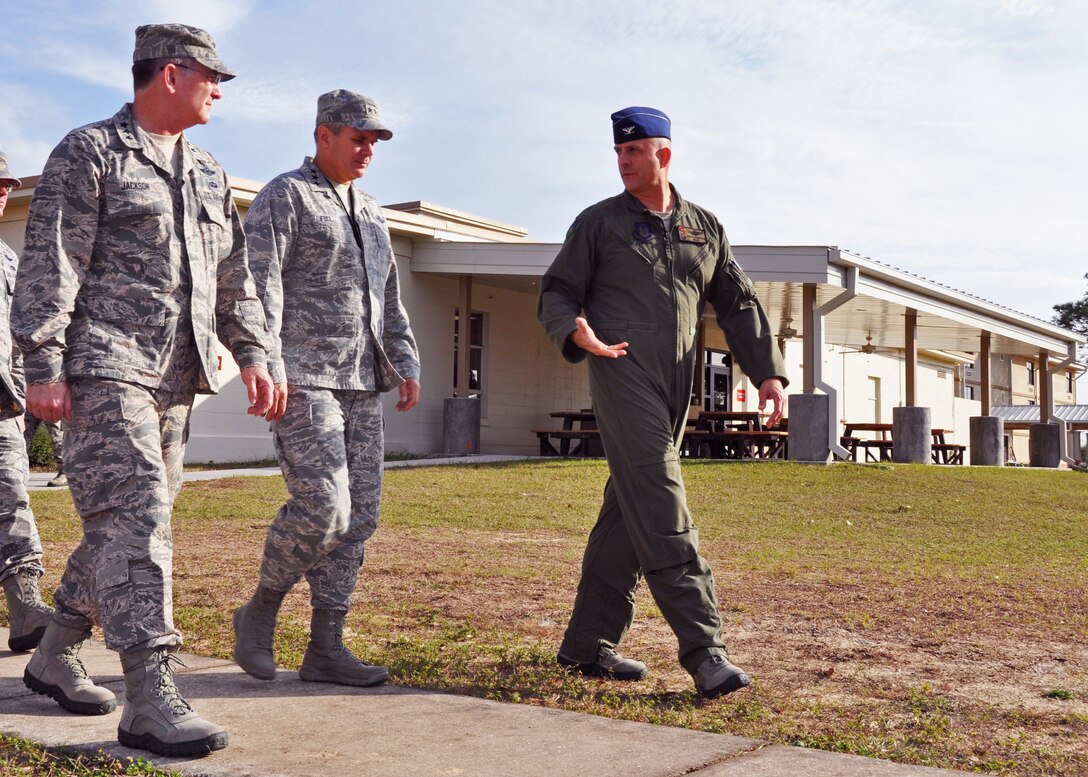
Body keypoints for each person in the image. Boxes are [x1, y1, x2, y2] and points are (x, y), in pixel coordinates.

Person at [12, 24, 273, 757]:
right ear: (169, 74)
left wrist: (253, 352)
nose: (218, 90)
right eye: (209, 76)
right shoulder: (90, 152)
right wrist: (43, 365)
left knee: (124, 522)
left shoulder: (210, 171)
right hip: (103, 363)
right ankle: (149, 692)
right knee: (137, 515)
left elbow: (232, 277)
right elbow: (51, 261)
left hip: (175, 376)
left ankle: (56, 646)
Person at [537, 107, 788, 698]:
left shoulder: (703, 226)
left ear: (663, 155)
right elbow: (557, 290)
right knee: (660, 494)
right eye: (618, 154)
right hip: (619, 370)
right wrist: (579, 332)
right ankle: (705, 651)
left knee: (629, 509)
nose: (623, 163)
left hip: (678, 383)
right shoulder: (597, 224)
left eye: (634, 152)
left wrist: (768, 373)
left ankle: (585, 645)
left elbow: (740, 302)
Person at [232, 90, 420, 687]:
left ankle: (326, 646)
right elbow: (255, 282)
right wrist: (260, 359)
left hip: (362, 379)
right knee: (324, 507)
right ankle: (259, 610)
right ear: (324, 136)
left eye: (373, 141)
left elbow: (386, 295)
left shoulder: (369, 210)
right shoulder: (286, 195)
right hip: (304, 376)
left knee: (360, 516)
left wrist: (406, 360)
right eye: (358, 137)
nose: (367, 149)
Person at [0, 152, 54, 653]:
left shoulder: (8, 259)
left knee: (12, 500)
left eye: (4, 185)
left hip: (1, 410)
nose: (1, 192)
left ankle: (26, 606)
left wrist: (20, 393)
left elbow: (21, 335)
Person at [23, 415, 65, 487]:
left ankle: (65, 473)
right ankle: (14, 473)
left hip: (50, 406)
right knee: (21, 437)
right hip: (28, 406)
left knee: (57, 437)